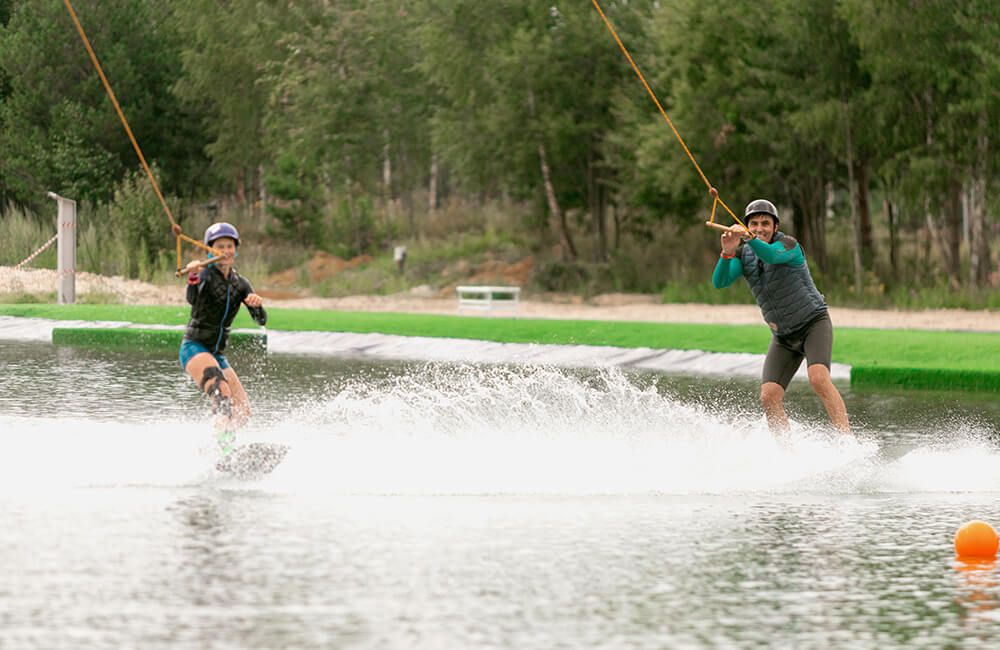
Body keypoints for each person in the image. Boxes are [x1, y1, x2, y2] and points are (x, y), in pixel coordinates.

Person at [712, 199, 851, 435]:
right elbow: (720, 282)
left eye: (765, 223)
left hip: (812, 324)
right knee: (768, 396)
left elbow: (771, 257)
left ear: (775, 226)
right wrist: (727, 253)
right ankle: (786, 453)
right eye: (753, 223)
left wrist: (748, 238)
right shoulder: (744, 253)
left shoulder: (788, 246)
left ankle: (847, 440)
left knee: (818, 378)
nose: (759, 228)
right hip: (783, 337)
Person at [178, 222, 267, 454]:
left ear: (235, 250)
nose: (225, 250)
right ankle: (225, 450)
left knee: (243, 411)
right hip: (195, 347)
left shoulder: (241, 283)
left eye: (229, 246)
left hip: (217, 354)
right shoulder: (205, 275)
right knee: (222, 393)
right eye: (220, 246)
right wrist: (193, 277)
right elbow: (192, 300)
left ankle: (217, 443)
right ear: (210, 250)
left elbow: (261, 321)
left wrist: (257, 307)